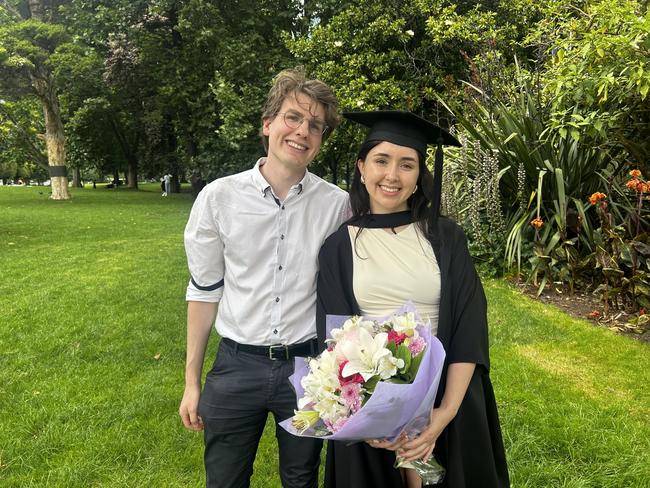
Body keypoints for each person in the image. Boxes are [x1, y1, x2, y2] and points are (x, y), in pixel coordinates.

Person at [316, 111, 509, 488]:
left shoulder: (445, 237)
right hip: (371, 401)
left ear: (420, 174)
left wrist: (443, 413)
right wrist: (370, 416)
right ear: (361, 167)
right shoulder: (339, 247)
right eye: (381, 161)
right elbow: (338, 340)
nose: (392, 175)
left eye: (407, 164)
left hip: (447, 393)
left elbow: (469, 324)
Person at [180, 68, 350, 488]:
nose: (302, 132)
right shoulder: (218, 198)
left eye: (315, 126)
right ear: (268, 124)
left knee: (301, 478)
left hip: (308, 370)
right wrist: (191, 382)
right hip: (236, 365)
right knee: (224, 479)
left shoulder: (338, 205)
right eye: (293, 117)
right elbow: (203, 292)